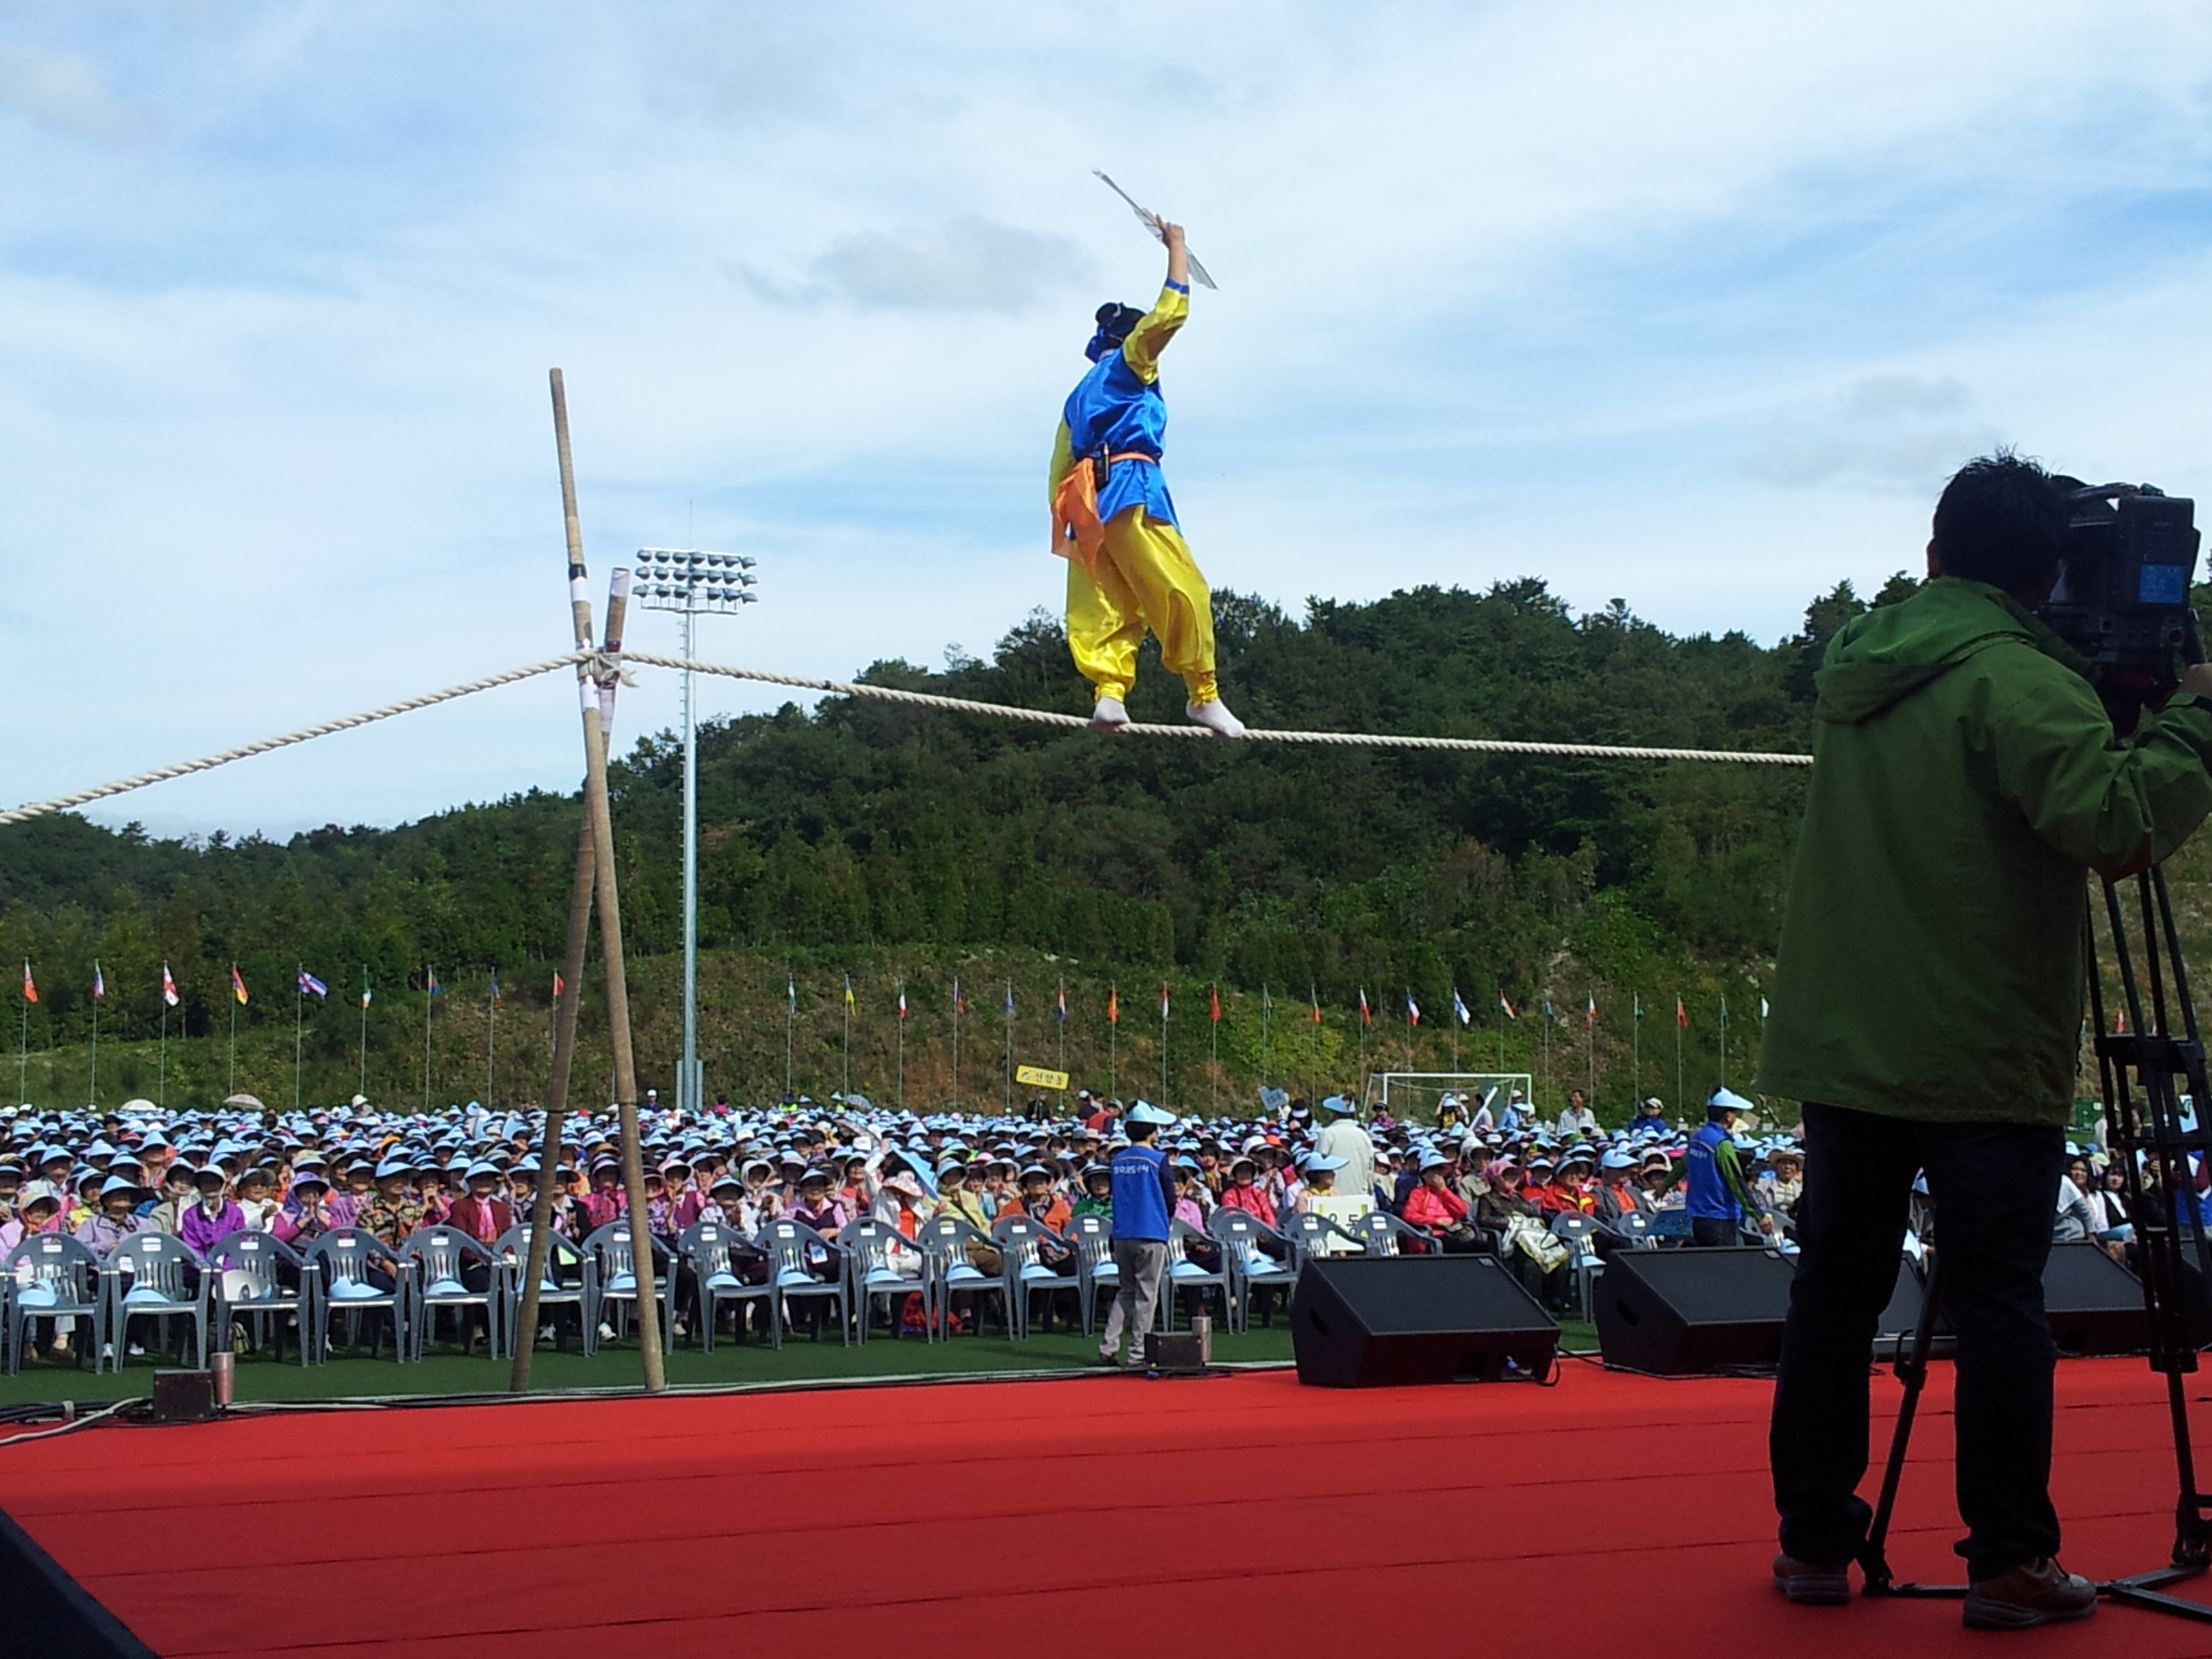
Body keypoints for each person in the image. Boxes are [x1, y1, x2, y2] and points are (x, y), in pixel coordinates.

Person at [1759, 452, 2212, 1627]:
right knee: (2000, 1299)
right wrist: (2194, 725)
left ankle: (1811, 1542)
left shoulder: (1860, 661)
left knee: (1833, 1292)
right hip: (1977, 1040)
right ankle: (2008, 1558)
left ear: (1932, 552)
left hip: (1845, 1032)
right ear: (2050, 572)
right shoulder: (2021, 681)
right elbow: (2114, 825)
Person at [1048, 219, 1244, 739]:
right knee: (1183, 587)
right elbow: (1170, 314)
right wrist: (1177, 248)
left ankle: (1110, 694)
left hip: (1085, 504)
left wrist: (1070, 529)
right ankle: (1203, 694)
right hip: (1131, 488)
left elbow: (1058, 467)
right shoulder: (1130, 367)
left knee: (1109, 599)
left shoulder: (1077, 396)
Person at [1097, 1103, 1177, 1368]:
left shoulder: (1118, 1160)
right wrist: (1165, 1219)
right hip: (1151, 1232)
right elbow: (1170, 1197)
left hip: (1122, 1232)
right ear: (1152, 1130)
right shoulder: (1158, 1159)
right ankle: (1137, 1354)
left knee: (1126, 1291)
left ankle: (1108, 1345)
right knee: (1146, 1295)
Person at [1685, 1089, 1766, 1246]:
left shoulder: (1697, 1138)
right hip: (1720, 1217)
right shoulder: (1722, 1144)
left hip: (1698, 1217)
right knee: (1724, 1261)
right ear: (1728, 1116)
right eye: (1735, 1113)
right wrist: (1759, 1215)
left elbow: (1682, 1165)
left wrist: (1664, 1187)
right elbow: (1736, 1181)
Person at [1313, 1097, 1376, 1204]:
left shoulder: (1328, 1133)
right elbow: (1369, 1169)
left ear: (1334, 1114)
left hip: (1331, 1197)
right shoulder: (1363, 1136)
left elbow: (1317, 1165)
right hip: (1359, 1196)